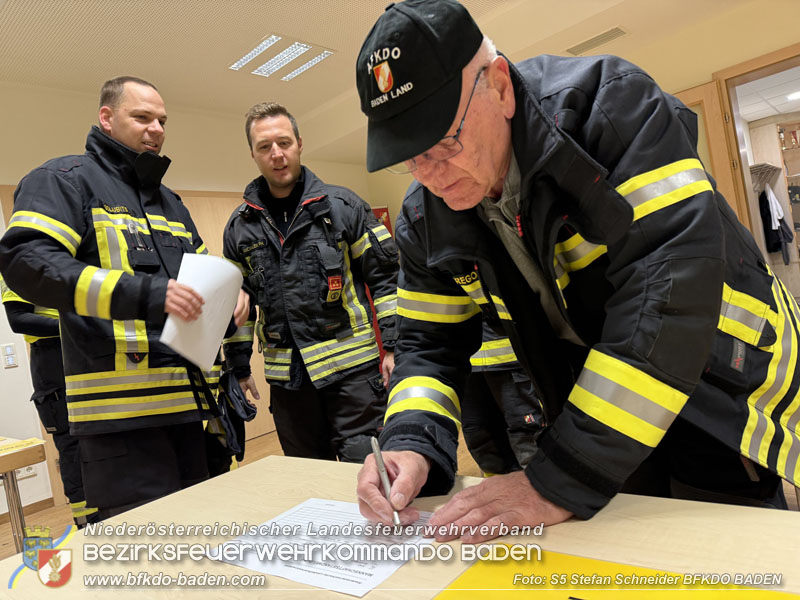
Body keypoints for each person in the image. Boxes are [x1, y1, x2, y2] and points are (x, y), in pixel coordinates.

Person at [354, 0, 800, 542]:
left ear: (498, 86)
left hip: (713, 389)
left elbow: (671, 295)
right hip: (600, 403)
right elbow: (428, 345)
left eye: (445, 143)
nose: (430, 177)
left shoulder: (611, 109)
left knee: (728, 555)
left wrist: (557, 479)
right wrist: (410, 439)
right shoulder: (424, 217)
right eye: (409, 158)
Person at [0, 76, 248, 519]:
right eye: (142, 117)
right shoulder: (62, 180)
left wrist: (230, 300)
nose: (156, 128)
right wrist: (146, 294)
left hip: (193, 412)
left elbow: (200, 284)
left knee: (206, 547)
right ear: (106, 118)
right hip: (121, 423)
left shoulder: (170, 202)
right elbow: (28, 262)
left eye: (162, 120)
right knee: (147, 563)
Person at [222, 102, 399, 463]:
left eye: (284, 143)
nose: (277, 154)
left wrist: (397, 347)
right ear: (253, 154)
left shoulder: (343, 206)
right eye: (264, 147)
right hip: (289, 385)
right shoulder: (240, 228)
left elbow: (386, 280)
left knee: (368, 472)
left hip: (353, 378)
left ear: (299, 143)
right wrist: (239, 367)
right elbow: (238, 306)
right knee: (309, 482)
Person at [1, 277, 99, 527]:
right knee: (74, 446)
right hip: (53, 358)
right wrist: (76, 326)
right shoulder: (18, 262)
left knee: (103, 440)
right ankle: (87, 522)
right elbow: (19, 319)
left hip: (88, 353)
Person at [463, 321, 542, 475]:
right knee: (478, 433)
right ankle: (497, 490)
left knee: (527, 434)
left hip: (512, 359)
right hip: (465, 363)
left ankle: (542, 490)